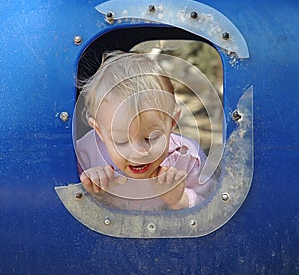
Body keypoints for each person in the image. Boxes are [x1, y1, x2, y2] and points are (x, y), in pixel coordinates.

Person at [75, 51, 216, 211]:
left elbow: (213, 204)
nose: (139, 153)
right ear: (99, 132)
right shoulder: (86, 153)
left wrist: (181, 199)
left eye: (151, 138)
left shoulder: (188, 157)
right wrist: (87, 187)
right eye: (121, 140)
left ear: (172, 121)